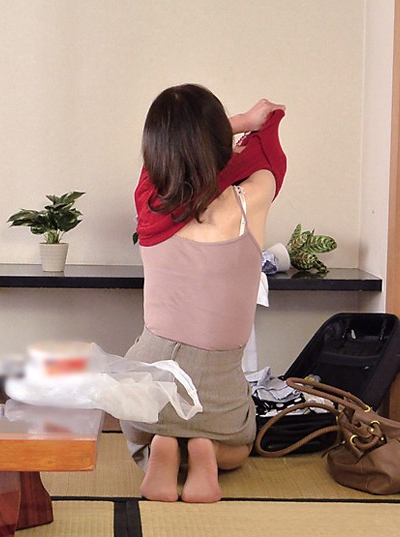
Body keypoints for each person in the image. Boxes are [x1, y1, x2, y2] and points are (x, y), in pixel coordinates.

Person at [121, 84, 287, 503]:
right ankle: (206, 449)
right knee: (239, 446)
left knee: (141, 427)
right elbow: (270, 157)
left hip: (147, 382)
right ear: (217, 139)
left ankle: (160, 445)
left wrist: (239, 121)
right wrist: (256, 122)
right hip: (217, 387)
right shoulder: (252, 198)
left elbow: (178, 151)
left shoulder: (148, 201)